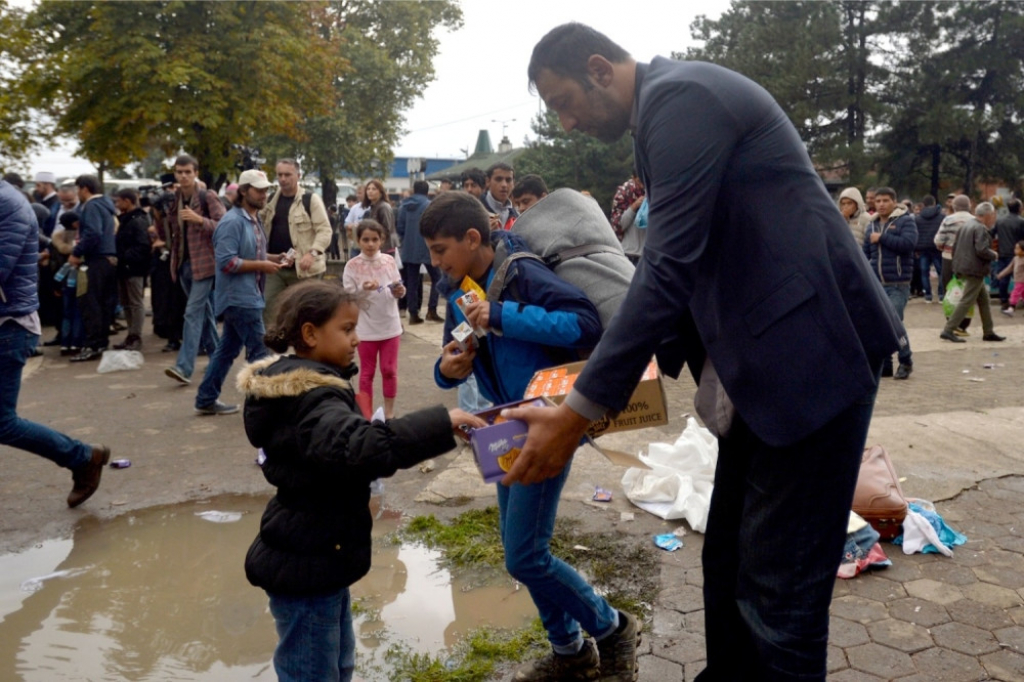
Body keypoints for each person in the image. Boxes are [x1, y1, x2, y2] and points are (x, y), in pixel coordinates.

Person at [507, 23, 906, 682]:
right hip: (762, 371)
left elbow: (668, 266)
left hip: (810, 363)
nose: (568, 123)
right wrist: (620, 379)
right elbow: (687, 273)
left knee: (780, 600)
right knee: (728, 563)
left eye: (563, 103)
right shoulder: (661, 117)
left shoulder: (682, 99)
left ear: (599, 69)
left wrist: (580, 409)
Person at [420, 191, 641, 682]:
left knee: (524, 555)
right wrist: (447, 368)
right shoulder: (461, 283)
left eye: (440, 249)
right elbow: (450, 356)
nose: (434, 261)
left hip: (547, 423)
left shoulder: (520, 271)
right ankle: (569, 650)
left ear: (472, 238)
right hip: (504, 426)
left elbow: (583, 323)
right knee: (518, 548)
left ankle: (612, 629)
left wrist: (501, 316)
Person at [238, 279, 483, 682]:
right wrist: (441, 423)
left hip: (318, 557)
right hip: (307, 566)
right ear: (310, 334)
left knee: (337, 666)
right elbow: (358, 447)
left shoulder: (311, 384)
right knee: (313, 673)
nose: (357, 339)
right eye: (347, 329)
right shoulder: (314, 397)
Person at [0, 178, 111, 508]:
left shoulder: (7, 204)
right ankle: (82, 457)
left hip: (8, 326)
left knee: (3, 422)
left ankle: (82, 457)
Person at [193, 169, 280, 416]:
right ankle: (262, 405)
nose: (263, 194)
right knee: (260, 352)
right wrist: (263, 265)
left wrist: (274, 258)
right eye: (258, 190)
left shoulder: (251, 219)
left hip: (246, 295)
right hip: (240, 298)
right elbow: (227, 262)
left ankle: (206, 397)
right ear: (243, 191)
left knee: (227, 350)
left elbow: (250, 255)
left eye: (265, 190)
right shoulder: (232, 222)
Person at [164, 154, 225, 385]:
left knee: (192, 313)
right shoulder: (177, 197)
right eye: (179, 172)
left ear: (195, 173)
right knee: (205, 313)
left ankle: (184, 367)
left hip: (205, 264)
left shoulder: (206, 195)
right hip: (182, 264)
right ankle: (220, 359)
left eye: (187, 172)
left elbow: (225, 225)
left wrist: (200, 220)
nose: (183, 176)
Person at [342, 220, 405, 418]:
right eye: (365, 239)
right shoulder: (352, 266)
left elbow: (396, 287)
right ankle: (366, 415)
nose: (370, 244)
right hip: (365, 329)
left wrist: (400, 291)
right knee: (367, 373)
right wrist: (363, 289)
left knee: (389, 370)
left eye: (375, 239)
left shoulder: (389, 261)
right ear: (358, 240)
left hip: (390, 325)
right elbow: (348, 296)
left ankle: (390, 414)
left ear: (382, 240)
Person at [258, 158, 332, 326]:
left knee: (306, 314)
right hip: (276, 267)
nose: (283, 179)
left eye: (287, 175)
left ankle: (306, 351)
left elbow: (325, 230)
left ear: (298, 175)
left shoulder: (310, 199)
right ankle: (269, 350)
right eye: (280, 175)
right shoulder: (270, 200)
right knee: (267, 308)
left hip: (305, 269)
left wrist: (312, 253)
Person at [864, 187, 917, 380]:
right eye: (878, 201)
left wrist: (883, 238)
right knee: (880, 324)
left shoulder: (905, 221)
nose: (881, 204)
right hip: (877, 284)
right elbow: (867, 254)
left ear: (894, 202)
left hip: (898, 283)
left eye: (885, 200)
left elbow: (908, 245)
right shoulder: (872, 224)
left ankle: (906, 361)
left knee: (894, 324)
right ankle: (886, 365)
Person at [68, 174, 118, 362]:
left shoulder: (91, 206)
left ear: (84, 189)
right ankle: (101, 341)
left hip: (95, 260)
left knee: (90, 303)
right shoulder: (107, 206)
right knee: (105, 304)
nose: (77, 193)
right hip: (109, 260)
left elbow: (93, 233)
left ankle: (92, 344)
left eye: (77, 189)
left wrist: (77, 251)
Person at [939, 202, 1005, 344]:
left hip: (964, 267)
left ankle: (988, 331)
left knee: (984, 300)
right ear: (988, 215)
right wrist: (994, 254)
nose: (993, 218)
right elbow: (981, 250)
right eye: (992, 215)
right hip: (974, 269)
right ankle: (948, 330)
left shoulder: (967, 226)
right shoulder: (980, 228)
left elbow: (955, 247)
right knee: (967, 300)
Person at [111, 189, 152, 351]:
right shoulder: (129, 219)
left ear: (127, 201)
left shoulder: (137, 221)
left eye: (119, 201)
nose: (117, 204)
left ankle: (135, 335)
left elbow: (142, 246)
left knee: (135, 303)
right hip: (126, 267)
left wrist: (123, 257)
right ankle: (131, 334)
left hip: (133, 268)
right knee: (127, 303)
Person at [397, 180, 442, 324]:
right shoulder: (430, 206)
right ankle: (431, 310)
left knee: (411, 281)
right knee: (438, 279)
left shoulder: (403, 206)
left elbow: (400, 228)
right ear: (427, 191)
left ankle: (413, 313)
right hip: (427, 247)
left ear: (413, 190)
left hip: (409, 247)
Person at [934, 194, 976, 335]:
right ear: (969, 206)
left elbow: (938, 240)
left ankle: (951, 322)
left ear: (954, 206)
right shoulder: (975, 221)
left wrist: (944, 246)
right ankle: (964, 324)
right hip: (970, 261)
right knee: (967, 292)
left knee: (950, 290)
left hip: (949, 258)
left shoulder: (948, 220)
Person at [993, 199, 1024, 310]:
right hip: (1018, 255)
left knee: (1003, 278)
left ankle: (1004, 300)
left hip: (1002, 253)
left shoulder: (1000, 221)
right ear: (1019, 208)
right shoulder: (1021, 222)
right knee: (1020, 280)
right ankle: (1017, 300)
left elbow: (992, 234)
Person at [914, 195, 946, 302]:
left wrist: (916, 248)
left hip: (923, 248)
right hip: (938, 247)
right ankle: (941, 295)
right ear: (934, 203)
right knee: (941, 272)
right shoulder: (942, 217)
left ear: (923, 204)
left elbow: (916, 234)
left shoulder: (918, 218)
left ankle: (928, 295)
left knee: (924, 272)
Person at [481, 163, 517, 230]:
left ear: (513, 183)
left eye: (508, 180)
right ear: (488, 181)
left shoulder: (517, 217)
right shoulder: (475, 211)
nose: (504, 185)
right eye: (498, 179)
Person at [610, 173, 644, 241]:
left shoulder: (652, 192)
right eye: (639, 181)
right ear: (633, 178)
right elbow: (619, 225)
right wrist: (634, 206)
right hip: (629, 248)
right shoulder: (624, 194)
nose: (642, 186)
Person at [997, 240, 1024, 315]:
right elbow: (1009, 268)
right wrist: (1001, 274)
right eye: (1015, 248)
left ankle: (1011, 308)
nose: (1015, 250)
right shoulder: (1015, 259)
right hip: (1018, 280)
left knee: (1014, 293)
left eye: (1018, 249)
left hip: (1021, 281)